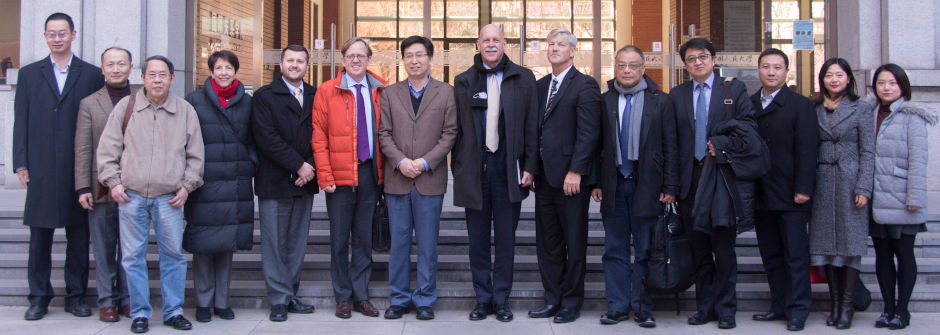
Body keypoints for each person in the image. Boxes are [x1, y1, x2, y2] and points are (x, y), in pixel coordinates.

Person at [97, 55, 204, 333]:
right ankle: (140, 313)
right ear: (142, 78)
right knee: (132, 257)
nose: (157, 79)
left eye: (163, 75)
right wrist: (114, 183)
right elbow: (108, 149)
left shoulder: (184, 110)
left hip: (170, 197)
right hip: (130, 196)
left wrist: (186, 185)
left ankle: (173, 311)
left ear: (172, 78)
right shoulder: (127, 106)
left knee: (173, 256)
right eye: (152, 74)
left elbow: (196, 155)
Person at [14, 12, 103, 321]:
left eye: (62, 33)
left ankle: (76, 296)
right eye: (51, 33)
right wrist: (20, 161)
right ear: (45, 36)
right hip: (40, 164)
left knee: (78, 235)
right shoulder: (28, 74)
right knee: (40, 236)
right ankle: (38, 297)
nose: (57, 38)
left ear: (73, 34)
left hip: (77, 165)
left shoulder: (91, 74)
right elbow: (20, 121)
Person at [452, 24, 539, 322]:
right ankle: (483, 299)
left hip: (508, 171)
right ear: (478, 44)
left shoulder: (524, 78)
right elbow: (459, 130)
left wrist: (530, 166)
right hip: (476, 172)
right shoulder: (463, 80)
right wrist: (459, 167)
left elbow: (531, 127)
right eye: (486, 40)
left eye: (496, 40)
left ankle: (502, 300)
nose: (491, 45)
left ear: (505, 44)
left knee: (505, 240)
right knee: (476, 241)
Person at [669, 37, 757, 330]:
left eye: (703, 56)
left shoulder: (732, 89)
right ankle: (704, 307)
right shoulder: (677, 94)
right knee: (699, 250)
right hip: (690, 180)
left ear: (713, 58)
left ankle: (727, 309)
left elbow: (748, 128)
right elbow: (671, 142)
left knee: (724, 249)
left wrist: (721, 143)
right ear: (685, 65)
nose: (698, 62)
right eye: (691, 58)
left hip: (720, 178)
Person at [592, 45, 677, 328]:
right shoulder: (604, 100)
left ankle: (643, 307)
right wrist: (596, 182)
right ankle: (617, 306)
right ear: (614, 69)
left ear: (643, 69)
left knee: (645, 250)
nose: (626, 70)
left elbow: (671, 146)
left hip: (648, 185)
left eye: (632, 65)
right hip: (614, 183)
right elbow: (596, 145)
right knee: (614, 249)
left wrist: (670, 185)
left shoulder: (660, 101)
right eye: (621, 65)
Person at [378, 35, 458, 321]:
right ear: (403, 60)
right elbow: (383, 133)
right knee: (399, 243)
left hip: (429, 179)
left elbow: (450, 133)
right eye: (409, 55)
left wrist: (424, 162)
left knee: (427, 244)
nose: (414, 60)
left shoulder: (446, 92)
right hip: (398, 179)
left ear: (430, 59)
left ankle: (425, 298)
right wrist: (400, 161)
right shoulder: (389, 93)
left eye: (419, 55)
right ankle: (398, 298)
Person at [529, 28, 601, 324]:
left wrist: (576, 170)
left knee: (574, 240)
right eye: (551, 44)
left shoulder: (585, 85)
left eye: (561, 45)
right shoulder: (540, 85)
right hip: (545, 178)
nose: (554, 48)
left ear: (573, 51)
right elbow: (534, 131)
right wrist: (532, 168)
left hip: (571, 179)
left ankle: (571, 301)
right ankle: (552, 298)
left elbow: (589, 133)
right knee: (548, 242)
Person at [311, 37, 384, 319]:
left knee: (363, 239)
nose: (356, 60)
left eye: (361, 56)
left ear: (368, 59)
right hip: (339, 177)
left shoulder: (379, 90)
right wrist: (324, 175)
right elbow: (318, 136)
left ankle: (361, 296)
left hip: (369, 173)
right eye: (351, 56)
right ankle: (342, 297)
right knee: (340, 239)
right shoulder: (328, 91)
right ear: (343, 60)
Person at [748, 48, 818, 331]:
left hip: (791, 194)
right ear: (759, 71)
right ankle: (778, 304)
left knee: (795, 256)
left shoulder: (800, 105)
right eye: (766, 67)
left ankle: (799, 309)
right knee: (772, 255)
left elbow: (807, 149)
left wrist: (804, 187)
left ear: (786, 72)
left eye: (777, 67)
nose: (771, 72)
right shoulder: (750, 104)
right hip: (761, 193)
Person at [183, 50, 255, 323]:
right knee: (203, 245)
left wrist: (249, 164)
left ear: (237, 72)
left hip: (235, 182)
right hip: (204, 183)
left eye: (229, 68)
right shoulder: (194, 101)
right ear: (211, 71)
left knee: (227, 246)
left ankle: (222, 301)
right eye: (219, 68)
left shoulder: (247, 103)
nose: (224, 73)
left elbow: (254, 140)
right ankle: (203, 301)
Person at [251, 44, 319, 322]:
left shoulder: (317, 94)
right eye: (290, 60)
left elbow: (324, 132)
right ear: (280, 64)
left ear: (306, 65)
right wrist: (298, 165)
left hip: (306, 181)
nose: (295, 65)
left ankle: (291, 294)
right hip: (275, 180)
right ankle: (278, 299)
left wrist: (311, 166)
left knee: (296, 242)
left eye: (300, 61)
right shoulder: (264, 96)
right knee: (275, 243)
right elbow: (266, 138)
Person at [809, 57, 874, 330]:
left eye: (839, 75)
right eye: (828, 75)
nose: (833, 80)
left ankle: (847, 307)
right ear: (822, 80)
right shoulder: (814, 108)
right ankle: (834, 305)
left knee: (849, 247)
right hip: (822, 182)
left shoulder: (862, 109)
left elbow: (868, 151)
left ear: (849, 78)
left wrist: (863, 187)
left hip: (850, 182)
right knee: (825, 249)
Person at [869, 63, 935, 330]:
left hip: (903, 197)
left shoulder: (912, 115)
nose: (886, 88)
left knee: (904, 254)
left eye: (892, 83)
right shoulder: (871, 112)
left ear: (902, 86)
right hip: (877, 197)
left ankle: (902, 310)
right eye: (881, 83)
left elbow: (919, 161)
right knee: (882, 255)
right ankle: (887, 309)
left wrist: (915, 197)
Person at [74, 46, 134, 322]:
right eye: (110, 64)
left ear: (130, 68)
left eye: (121, 64)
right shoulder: (89, 103)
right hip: (100, 186)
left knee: (131, 247)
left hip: (134, 185)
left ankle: (128, 299)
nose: (116, 69)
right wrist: (82, 186)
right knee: (103, 246)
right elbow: (83, 149)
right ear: (102, 69)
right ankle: (107, 300)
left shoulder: (141, 99)